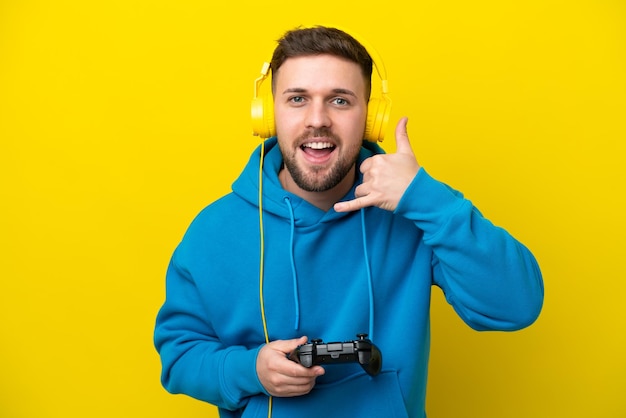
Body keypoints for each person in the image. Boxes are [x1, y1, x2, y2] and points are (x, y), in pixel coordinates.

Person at [154, 25, 544, 418]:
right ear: (269, 113)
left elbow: (515, 305)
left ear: (371, 118)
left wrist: (427, 198)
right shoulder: (213, 232)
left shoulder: (417, 213)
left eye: (340, 101)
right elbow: (180, 357)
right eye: (297, 99)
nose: (317, 120)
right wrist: (249, 370)